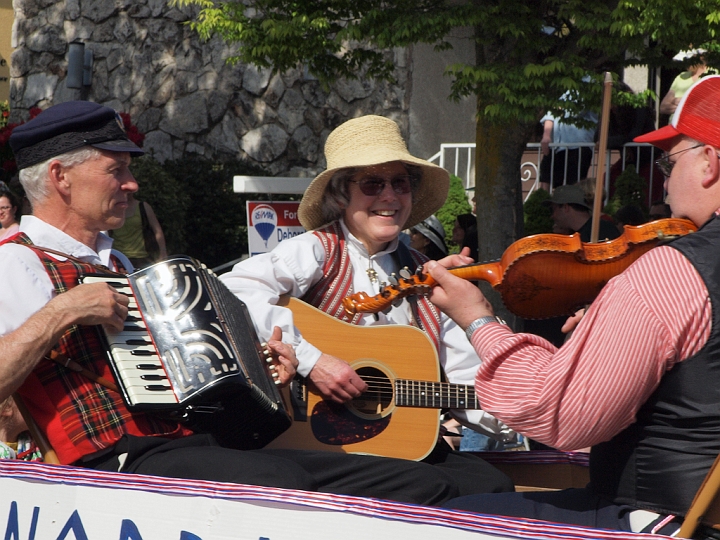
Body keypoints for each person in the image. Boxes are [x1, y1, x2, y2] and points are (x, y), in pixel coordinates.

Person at [0, 101, 472, 506]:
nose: (132, 183)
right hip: (113, 460)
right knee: (284, 484)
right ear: (61, 177)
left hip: (187, 442)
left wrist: (268, 372)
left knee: (419, 482)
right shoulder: (16, 263)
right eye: (116, 169)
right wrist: (64, 310)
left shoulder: (118, 262)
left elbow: (184, 373)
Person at [425, 74, 720, 535]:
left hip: (667, 519)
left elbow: (561, 415)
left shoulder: (674, 270)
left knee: (426, 521)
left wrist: (478, 321)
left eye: (668, 165)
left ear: (709, 162)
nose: (663, 185)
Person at [220, 115, 516, 496]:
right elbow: (233, 290)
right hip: (315, 441)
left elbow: (464, 373)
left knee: (493, 485)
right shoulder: (315, 250)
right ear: (342, 195)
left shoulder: (424, 275)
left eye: (400, 183)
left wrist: (523, 408)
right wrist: (313, 361)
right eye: (373, 183)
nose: (390, 197)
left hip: (389, 445)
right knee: (429, 486)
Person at [538, 91, 598, 190]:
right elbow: (550, 114)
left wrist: (558, 107)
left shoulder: (589, 83)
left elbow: (577, 111)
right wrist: (546, 136)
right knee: (546, 178)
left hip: (578, 145)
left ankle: (571, 205)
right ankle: (546, 205)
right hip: (556, 144)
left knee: (573, 184)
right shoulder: (561, 85)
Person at [543, 184, 620, 242]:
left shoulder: (602, 229)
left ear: (566, 207)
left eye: (552, 210)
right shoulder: (574, 235)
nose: (552, 216)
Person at [109, 192, 167, 269]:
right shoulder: (112, 209)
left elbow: (157, 231)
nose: (126, 193)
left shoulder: (143, 207)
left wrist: (163, 254)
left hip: (141, 257)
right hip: (119, 258)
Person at [659, 49, 708, 120]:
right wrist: (686, 106)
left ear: (701, 57)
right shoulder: (681, 76)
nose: (685, 63)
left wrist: (680, 102)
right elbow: (663, 107)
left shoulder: (713, 76)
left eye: (688, 60)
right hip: (675, 128)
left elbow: (709, 109)